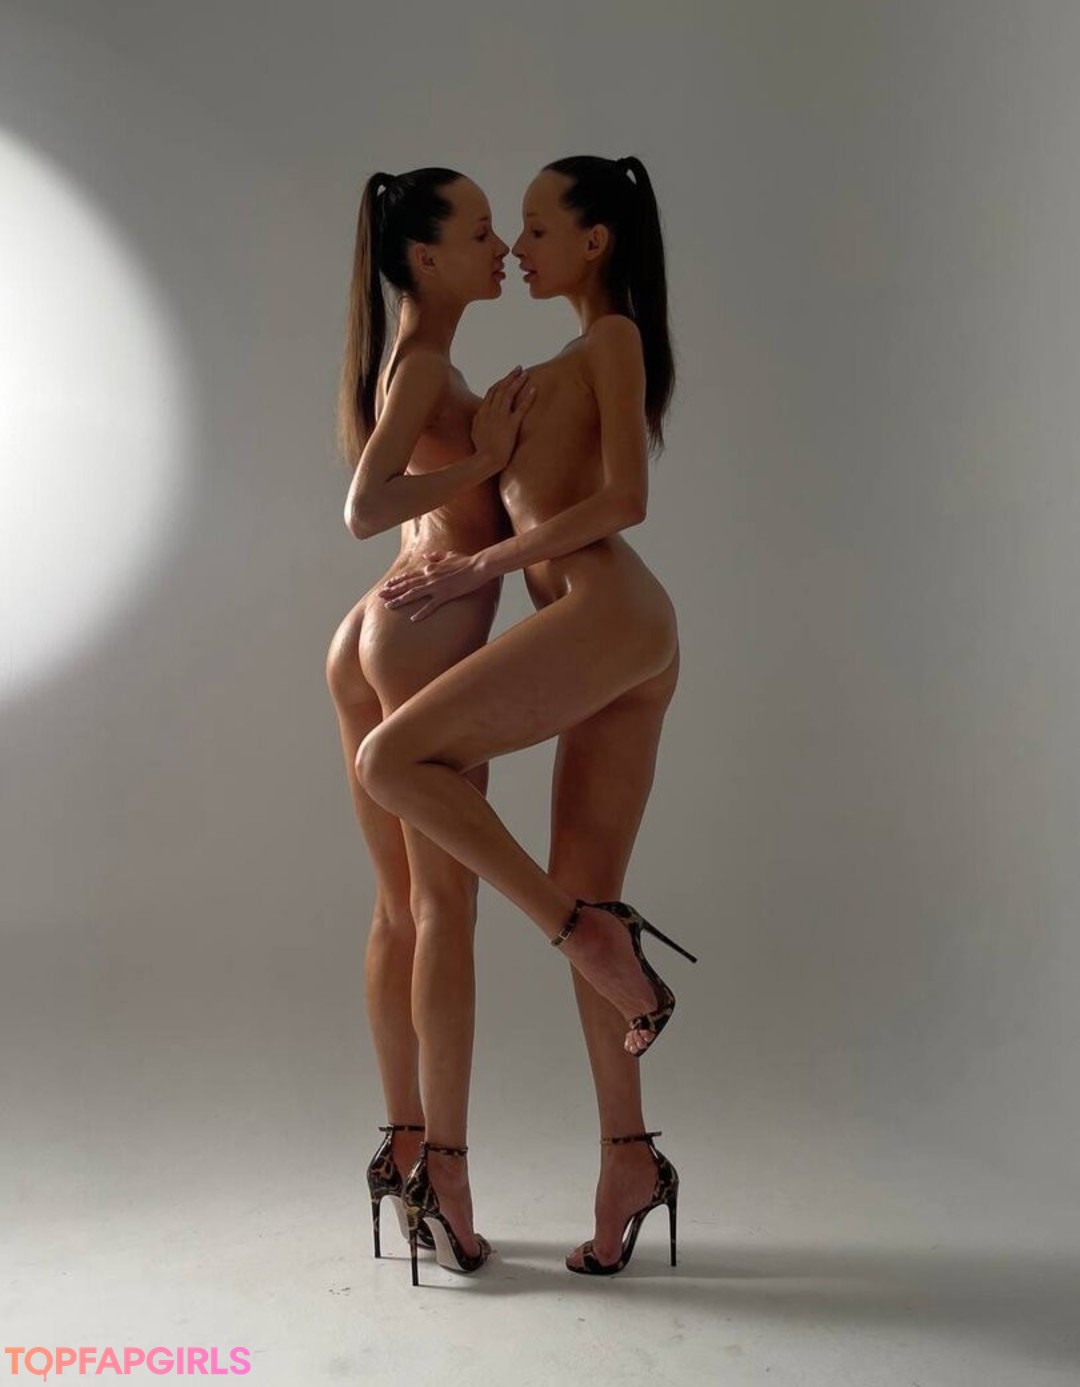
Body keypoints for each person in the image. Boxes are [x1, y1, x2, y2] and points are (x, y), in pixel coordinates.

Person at [360, 154, 698, 1282]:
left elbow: (626, 501)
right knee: (586, 883)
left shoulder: (611, 340)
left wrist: (480, 567)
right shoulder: (547, 362)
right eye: (507, 229)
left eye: (540, 227)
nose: (519, 246)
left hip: (610, 613)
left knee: (394, 759)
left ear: (596, 243)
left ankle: (578, 932)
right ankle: (630, 1159)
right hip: (608, 634)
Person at [325, 166, 534, 1280]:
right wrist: (488, 462)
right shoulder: (421, 366)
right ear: (423, 256)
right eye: (482, 231)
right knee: (443, 907)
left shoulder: (415, 359)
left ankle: (402, 1145)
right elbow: (365, 508)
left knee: (402, 908)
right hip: (414, 638)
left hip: (374, 633)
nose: (501, 247)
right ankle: (442, 1182)